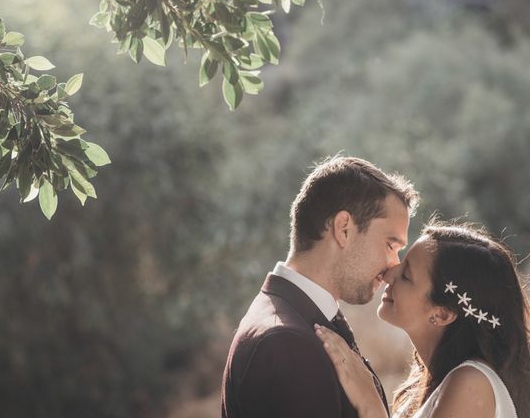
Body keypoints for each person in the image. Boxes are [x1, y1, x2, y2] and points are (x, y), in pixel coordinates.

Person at [221, 156, 419, 418]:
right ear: (344, 229)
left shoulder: (301, 320)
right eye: (390, 245)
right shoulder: (285, 343)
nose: (394, 265)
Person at [315, 221, 530, 418]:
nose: (388, 274)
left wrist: (369, 402)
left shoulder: (471, 383)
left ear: (442, 313)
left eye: (406, 276)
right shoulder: (436, 381)